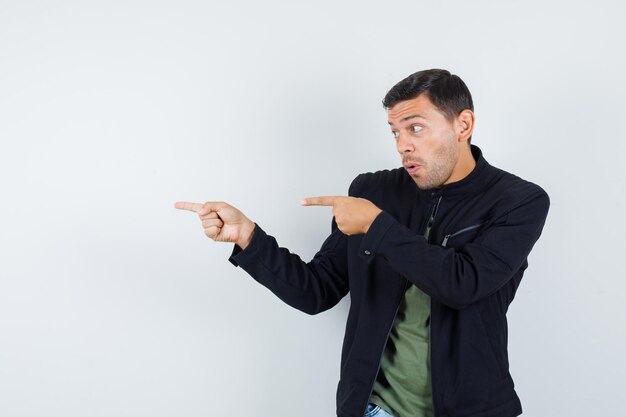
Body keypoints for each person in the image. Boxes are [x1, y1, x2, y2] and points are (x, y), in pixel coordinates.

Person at [175, 69, 550, 417]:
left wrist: (377, 226)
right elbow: (316, 292)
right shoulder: (372, 191)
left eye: (415, 128)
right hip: (375, 409)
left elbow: (464, 284)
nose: (403, 145)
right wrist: (248, 238)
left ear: (462, 124)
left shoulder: (519, 201)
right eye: (395, 132)